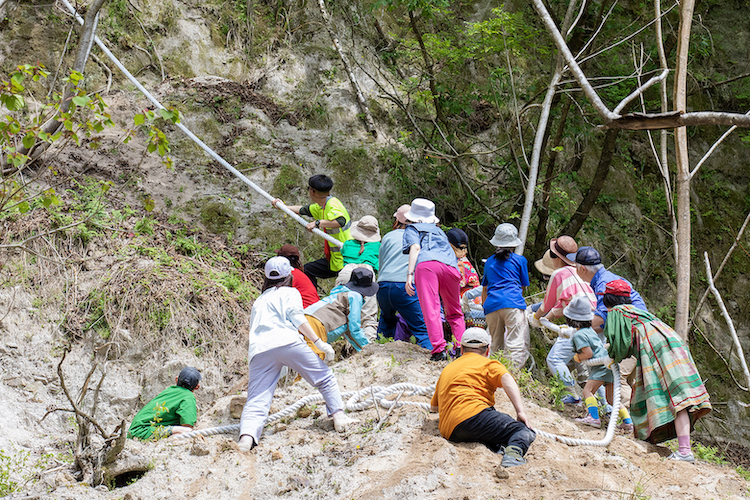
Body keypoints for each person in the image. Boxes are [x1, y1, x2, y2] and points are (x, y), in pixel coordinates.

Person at [237, 256, 356, 452]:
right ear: (289, 275)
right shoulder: (291, 292)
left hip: (259, 349)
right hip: (287, 341)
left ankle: (246, 439)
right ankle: (339, 418)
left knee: (257, 397)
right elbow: (297, 318)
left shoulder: (259, 300)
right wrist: (318, 342)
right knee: (324, 378)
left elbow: (253, 329)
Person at [603, 279, 711, 462]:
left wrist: (609, 355)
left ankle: (684, 452)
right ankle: (684, 449)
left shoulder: (617, 312)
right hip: (673, 344)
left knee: (673, 397)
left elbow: (620, 344)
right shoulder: (638, 312)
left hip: (657, 349)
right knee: (678, 397)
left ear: (608, 299)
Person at [430, 328, 536, 468]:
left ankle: (497, 447)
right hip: (474, 416)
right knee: (522, 431)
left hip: (450, 431)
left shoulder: (448, 369)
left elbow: (434, 408)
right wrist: (520, 411)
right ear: (488, 350)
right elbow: (507, 378)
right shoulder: (488, 364)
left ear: (461, 349)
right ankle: (513, 457)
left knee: (489, 426)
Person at [569, 246, 648, 409]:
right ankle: (630, 421)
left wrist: (577, 330)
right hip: (634, 334)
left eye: (575, 266)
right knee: (624, 380)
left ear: (582, 268)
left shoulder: (605, 283)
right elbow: (605, 322)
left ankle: (631, 423)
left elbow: (600, 319)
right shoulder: (603, 279)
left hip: (631, 337)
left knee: (619, 377)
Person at [530, 236, 596, 404]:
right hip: (596, 322)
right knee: (594, 366)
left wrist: (536, 318)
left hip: (578, 325)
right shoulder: (581, 272)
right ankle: (606, 406)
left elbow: (547, 305)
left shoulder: (559, 274)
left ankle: (572, 394)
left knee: (554, 359)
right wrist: (547, 317)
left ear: (556, 258)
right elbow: (562, 305)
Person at [403, 198, 465, 361]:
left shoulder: (412, 228)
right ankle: (461, 347)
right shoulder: (440, 232)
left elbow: (415, 247)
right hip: (451, 268)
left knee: (432, 308)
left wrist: (409, 274)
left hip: (428, 266)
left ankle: (439, 350)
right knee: (454, 311)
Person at [563, 295, 634, 431]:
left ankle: (593, 418)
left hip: (601, 367)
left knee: (587, 391)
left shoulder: (579, 335)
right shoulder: (590, 330)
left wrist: (578, 357)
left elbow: (588, 353)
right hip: (610, 366)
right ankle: (628, 421)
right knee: (611, 399)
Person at [272, 174, 352, 289]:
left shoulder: (332, 204)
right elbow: (303, 210)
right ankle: (313, 299)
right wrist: (282, 206)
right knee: (307, 270)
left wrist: (318, 223)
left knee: (344, 293)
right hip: (335, 259)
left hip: (345, 259)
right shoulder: (322, 206)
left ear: (312, 191)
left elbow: (340, 221)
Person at [376, 205, 431, 349]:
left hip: (383, 285)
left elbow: (381, 264)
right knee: (422, 328)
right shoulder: (419, 237)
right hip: (405, 286)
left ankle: (379, 352)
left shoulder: (387, 236)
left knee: (386, 320)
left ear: (397, 220)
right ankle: (433, 359)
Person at [482, 223, 530, 367]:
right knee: (517, 345)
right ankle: (511, 376)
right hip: (513, 304)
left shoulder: (489, 262)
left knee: (495, 345)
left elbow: (485, 288)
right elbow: (522, 286)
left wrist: (485, 307)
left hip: (491, 306)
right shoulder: (520, 260)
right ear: (514, 244)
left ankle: (493, 375)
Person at [304, 267, 378, 354]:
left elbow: (349, 331)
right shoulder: (355, 296)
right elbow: (354, 327)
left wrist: (363, 348)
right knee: (315, 360)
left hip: (304, 319)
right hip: (317, 323)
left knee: (302, 357)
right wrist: (368, 348)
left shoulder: (339, 292)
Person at [336, 216, 381, 341]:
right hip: (367, 274)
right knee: (368, 313)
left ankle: (345, 343)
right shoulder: (378, 246)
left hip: (347, 273)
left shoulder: (347, 244)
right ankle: (368, 344)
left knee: (342, 311)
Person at [127, 366, 201, 440]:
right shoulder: (188, 396)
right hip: (144, 432)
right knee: (188, 431)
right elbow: (187, 425)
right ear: (197, 387)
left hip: (133, 431)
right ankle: (167, 443)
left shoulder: (169, 390)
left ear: (176, 379)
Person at [446, 228, 480, 297]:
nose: (465, 251)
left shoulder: (461, 262)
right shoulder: (457, 259)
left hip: (467, 301)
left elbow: (455, 285)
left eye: (464, 248)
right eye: (461, 248)